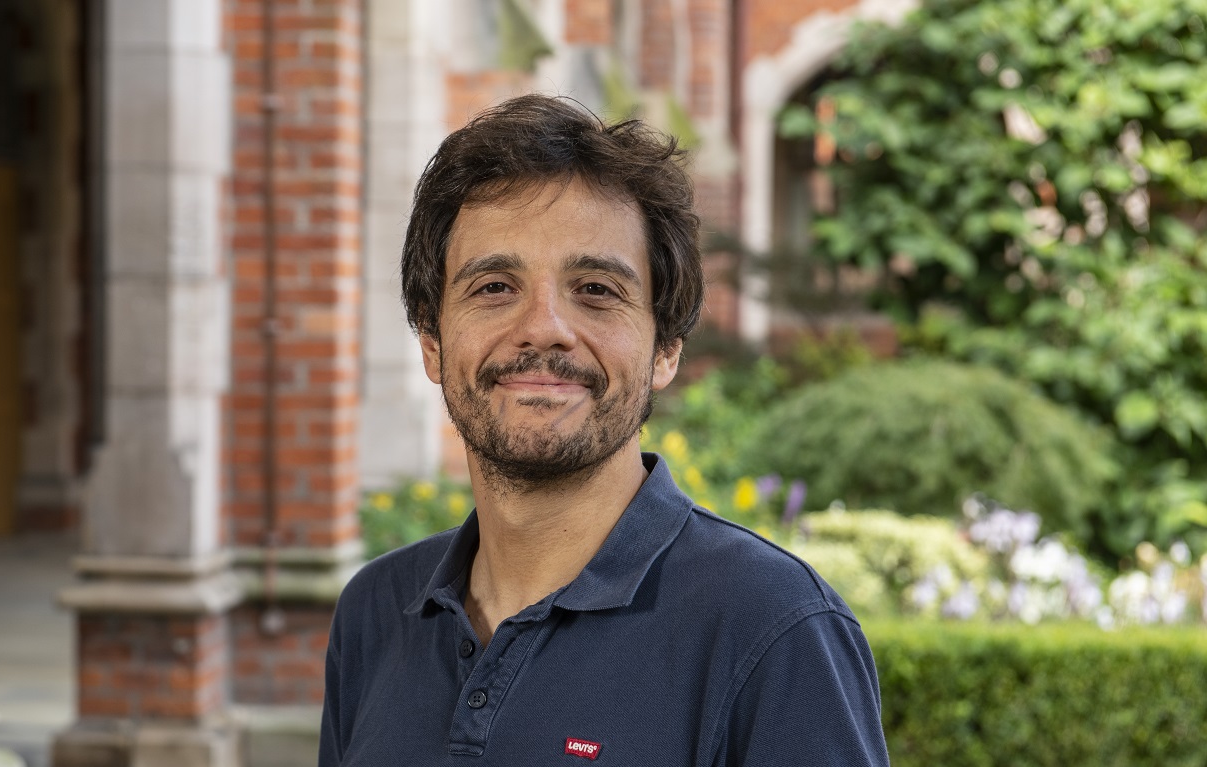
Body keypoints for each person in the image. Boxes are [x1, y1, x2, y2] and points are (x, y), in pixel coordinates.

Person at [319, 94, 889, 766]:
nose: (544, 328)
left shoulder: (773, 628)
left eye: (595, 289)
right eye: (495, 286)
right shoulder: (375, 614)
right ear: (432, 341)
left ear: (666, 348)